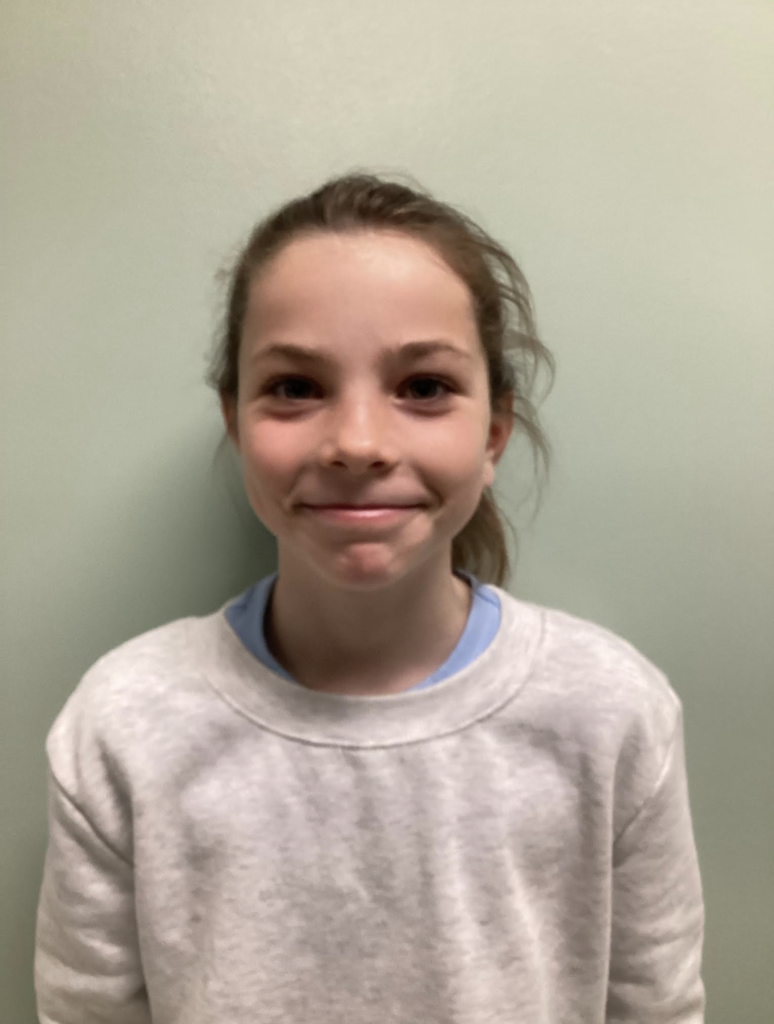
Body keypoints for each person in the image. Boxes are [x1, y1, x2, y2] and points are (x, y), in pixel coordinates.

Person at [35, 172, 706, 1023]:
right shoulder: (122, 723)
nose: (357, 442)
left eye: (424, 387)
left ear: (493, 431)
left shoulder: (612, 713)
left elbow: (659, 1008)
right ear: (236, 423)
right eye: (296, 387)